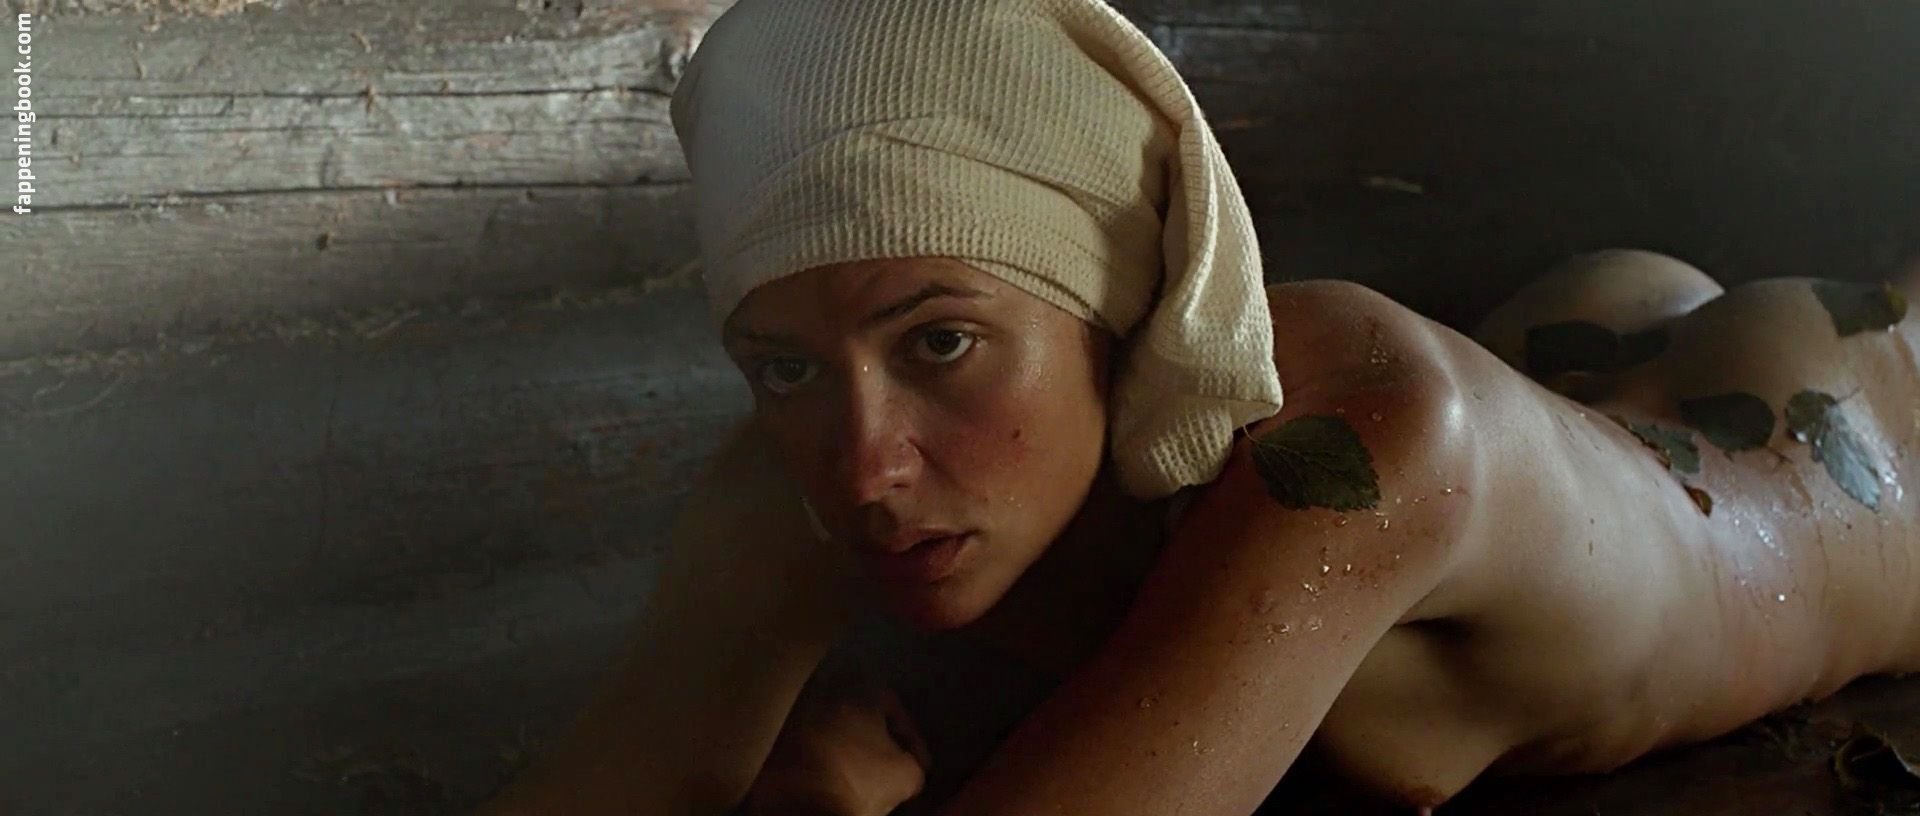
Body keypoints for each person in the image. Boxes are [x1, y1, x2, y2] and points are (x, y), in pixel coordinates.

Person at [479, 1, 1920, 814]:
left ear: (1123, 310)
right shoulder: (808, 471)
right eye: (784, 366)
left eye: (943, 343)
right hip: (1581, 351)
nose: (862, 466)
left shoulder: (1357, 449)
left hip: (1834, 462)